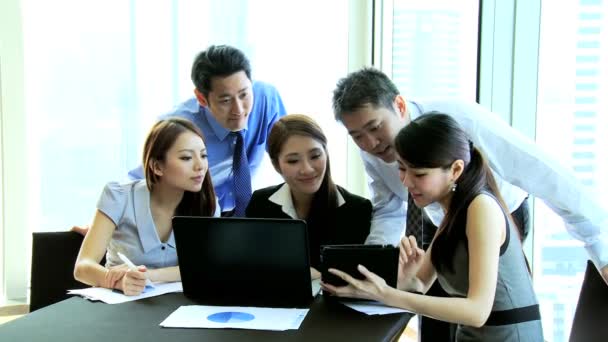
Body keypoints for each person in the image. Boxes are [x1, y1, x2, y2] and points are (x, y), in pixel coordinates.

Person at [331, 67, 608, 340]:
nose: (370, 143)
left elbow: (546, 177)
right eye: (357, 136)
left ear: (399, 105)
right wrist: (375, 271)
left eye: (374, 128)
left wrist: (602, 253)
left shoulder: (462, 122)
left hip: (501, 216)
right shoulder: (441, 203)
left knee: (486, 301)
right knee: (440, 311)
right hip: (446, 216)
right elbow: (390, 212)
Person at [322, 113, 544, 341]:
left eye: (419, 174)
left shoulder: (481, 208)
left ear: (455, 170)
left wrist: (387, 294)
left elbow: (477, 311)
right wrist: (407, 278)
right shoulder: (454, 211)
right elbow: (419, 284)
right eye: (401, 169)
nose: (406, 182)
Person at [129, 44, 286, 216]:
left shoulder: (266, 99)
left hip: (244, 214)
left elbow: (291, 153)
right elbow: (142, 181)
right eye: (225, 100)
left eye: (244, 94)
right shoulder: (178, 126)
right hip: (195, 214)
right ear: (201, 98)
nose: (239, 110)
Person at [74, 118, 218, 296]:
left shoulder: (208, 204)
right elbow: (83, 267)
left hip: (179, 306)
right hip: (121, 305)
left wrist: (148, 275)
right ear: (157, 166)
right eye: (186, 157)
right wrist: (119, 281)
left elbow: (205, 267)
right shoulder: (118, 196)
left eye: (203, 155)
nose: (200, 166)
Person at [245, 114, 372, 279]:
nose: (307, 169)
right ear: (277, 165)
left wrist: (317, 275)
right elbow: (252, 266)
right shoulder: (260, 203)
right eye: (293, 161)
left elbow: (358, 277)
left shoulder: (357, 210)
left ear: (326, 153)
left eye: (315, 156)